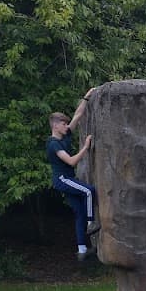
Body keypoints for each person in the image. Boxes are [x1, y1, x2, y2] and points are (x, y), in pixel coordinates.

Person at [47, 89, 98, 260]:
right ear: (55, 125)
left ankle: (82, 250)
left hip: (69, 179)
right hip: (63, 179)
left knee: (79, 213)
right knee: (89, 191)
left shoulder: (66, 133)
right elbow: (71, 162)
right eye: (63, 124)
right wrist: (85, 146)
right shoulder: (53, 144)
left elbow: (78, 115)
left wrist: (86, 97)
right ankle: (91, 224)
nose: (66, 126)